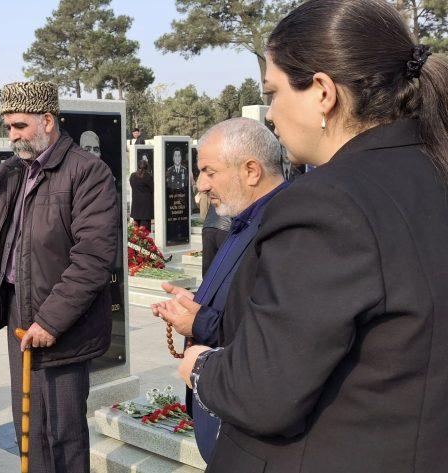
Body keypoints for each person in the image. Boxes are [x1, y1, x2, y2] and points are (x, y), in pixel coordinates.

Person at [179, 1, 448, 471]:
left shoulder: (328, 203)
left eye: (274, 92)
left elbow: (263, 392)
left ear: (323, 92)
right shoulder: (433, 171)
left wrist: (202, 366)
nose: (270, 114)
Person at [0, 81, 119, 473]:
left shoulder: (87, 172)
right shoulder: (12, 170)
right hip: (19, 307)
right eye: (8, 127)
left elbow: (93, 258)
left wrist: (50, 321)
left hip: (63, 318)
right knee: (29, 424)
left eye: (19, 126)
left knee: (62, 430)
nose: (11, 135)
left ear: (47, 121)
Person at [149, 118, 286, 463]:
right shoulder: (245, 218)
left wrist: (198, 324)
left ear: (251, 171)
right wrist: (197, 307)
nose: (201, 185)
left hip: (245, 423)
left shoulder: (281, 227)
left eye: (209, 171)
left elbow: (268, 335)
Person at [129, 157, 154, 229]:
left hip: (136, 206)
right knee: (144, 231)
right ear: (147, 167)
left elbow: (132, 185)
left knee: (136, 231)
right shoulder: (148, 176)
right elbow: (152, 188)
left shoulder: (132, 176)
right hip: (146, 208)